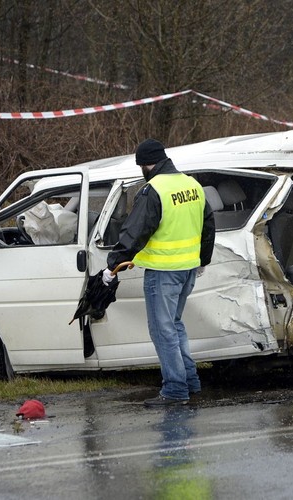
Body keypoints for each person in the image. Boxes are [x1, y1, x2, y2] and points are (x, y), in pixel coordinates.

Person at [104, 139, 215, 407]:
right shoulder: (192, 185)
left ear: (145, 165)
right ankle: (190, 382)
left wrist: (112, 265)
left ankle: (175, 390)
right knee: (175, 326)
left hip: (163, 272)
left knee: (162, 330)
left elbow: (135, 230)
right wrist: (203, 260)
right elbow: (208, 224)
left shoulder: (153, 189)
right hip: (188, 270)